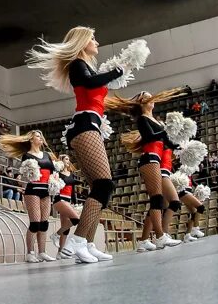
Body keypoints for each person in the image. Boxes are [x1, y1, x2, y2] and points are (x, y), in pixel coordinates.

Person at [24, 27, 121, 264]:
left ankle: (87, 242)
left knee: (102, 188)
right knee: (104, 184)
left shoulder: (87, 65)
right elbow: (89, 83)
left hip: (92, 125)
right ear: (81, 43)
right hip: (84, 124)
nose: (96, 42)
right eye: (92, 39)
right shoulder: (78, 65)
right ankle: (78, 241)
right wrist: (114, 72)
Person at [109, 88, 185, 251]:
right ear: (141, 103)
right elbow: (150, 137)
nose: (152, 98)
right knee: (156, 199)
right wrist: (164, 131)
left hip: (155, 159)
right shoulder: (143, 119)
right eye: (147, 97)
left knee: (157, 200)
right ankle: (160, 237)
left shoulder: (155, 121)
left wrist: (181, 147)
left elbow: (167, 142)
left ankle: (145, 241)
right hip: (149, 158)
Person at [0, 130, 58, 263]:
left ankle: (42, 252)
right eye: (37, 136)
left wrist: (55, 181)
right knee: (35, 223)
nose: (41, 138)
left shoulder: (47, 155)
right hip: (33, 190)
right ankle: (30, 253)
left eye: (41, 136)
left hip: (46, 191)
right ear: (31, 139)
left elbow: (53, 173)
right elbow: (24, 176)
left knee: (44, 224)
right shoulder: (27, 156)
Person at [52, 154, 81, 259]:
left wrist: (75, 202)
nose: (68, 161)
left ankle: (60, 252)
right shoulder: (57, 173)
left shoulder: (71, 174)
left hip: (68, 200)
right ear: (61, 161)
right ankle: (56, 234)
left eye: (69, 159)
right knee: (76, 219)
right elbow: (55, 186)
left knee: (66, 228)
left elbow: (73, 191)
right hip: (60, 199)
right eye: (66, 159)